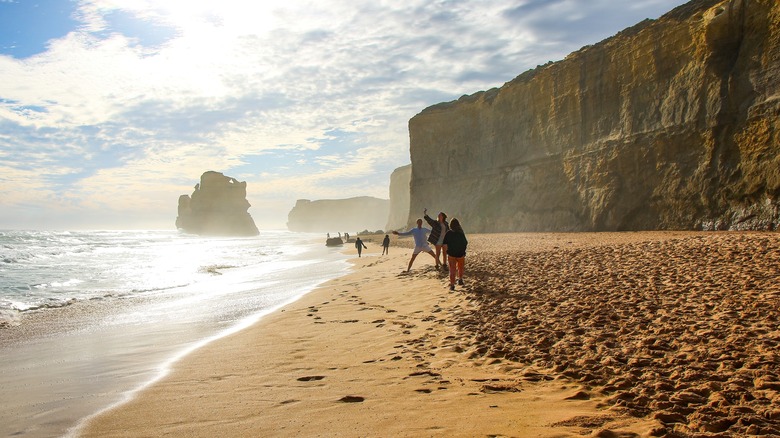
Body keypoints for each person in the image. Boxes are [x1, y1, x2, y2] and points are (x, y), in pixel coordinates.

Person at [442, 218, 468, 291]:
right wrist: (463, 251)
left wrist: (446, 251)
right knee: (460, 267)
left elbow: (444, 244)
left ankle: (452, 285)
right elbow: (465, 243)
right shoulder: (461, 233)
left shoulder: (448, 233)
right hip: (460, 254)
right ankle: (460, 279)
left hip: (451, 254)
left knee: (452, 269)